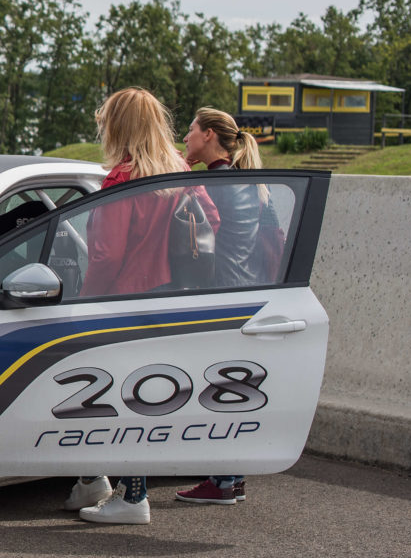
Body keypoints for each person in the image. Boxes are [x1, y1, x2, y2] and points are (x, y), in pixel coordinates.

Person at [71, 87, 217, 525]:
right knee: (144, 398)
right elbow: (216, 221)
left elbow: (106, 255)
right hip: (172, 298)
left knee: (107, 399)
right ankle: (94, 479)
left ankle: (132, 498)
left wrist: (83, 302)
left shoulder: (123, 179)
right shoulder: (179, 171)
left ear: (119, 127)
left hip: (124, 301)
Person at [175, 105, 269, 506]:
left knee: (218, 389)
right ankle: (232, 477)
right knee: (232, 387)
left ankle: (224, 481)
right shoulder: (249, 182)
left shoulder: (213, 183)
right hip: (245, 292)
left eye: (192, 131)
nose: (186, 138)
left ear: (210, 135)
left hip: (218, 295)